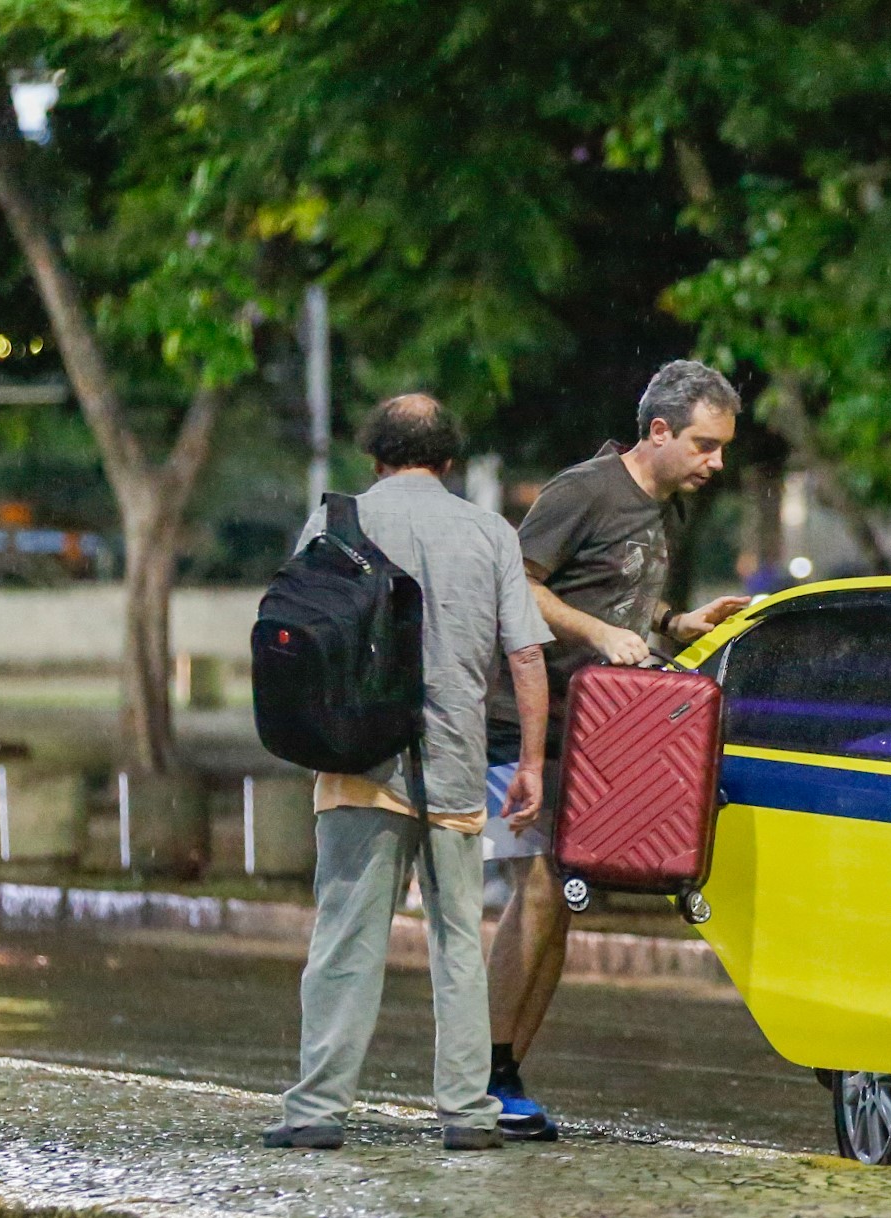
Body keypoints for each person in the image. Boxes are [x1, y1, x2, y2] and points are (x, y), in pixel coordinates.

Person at [265, 394, 553, 1153]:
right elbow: (526, 654)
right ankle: (466, 1113)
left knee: (345, 940)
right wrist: (527, 763)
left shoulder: (336, 521)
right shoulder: (490, 532)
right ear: (449, 459)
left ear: (375, 455)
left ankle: (317, 1110)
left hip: (358, 760)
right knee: (460, 942)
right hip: (456, 765)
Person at [482, 360, 750, 1139]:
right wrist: (598, 634)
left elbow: (622, 593)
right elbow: (520, 587)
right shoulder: (584, 490)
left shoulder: (669, 509)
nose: (717, 463)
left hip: (605, 733)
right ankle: (488, 1073)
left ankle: (503, 1079)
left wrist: (675, 623)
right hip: (530, 720)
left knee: (564, 897)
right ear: (658, 431)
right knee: (538, 887)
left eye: (723, 448)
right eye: (704, 445)